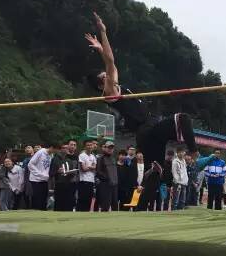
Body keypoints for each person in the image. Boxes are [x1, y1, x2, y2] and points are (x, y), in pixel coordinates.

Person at [84, 12, 197, 168]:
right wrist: (103, 32)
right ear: (100, 86)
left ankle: (190, 151)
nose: (108, 76)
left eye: (106, 75)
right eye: (104, 77)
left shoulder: (116, 85)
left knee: (157, 168)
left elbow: (111, 64)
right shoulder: (109, 93)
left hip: (152, 125)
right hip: (145, 132)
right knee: (181, 121)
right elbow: (110, 61)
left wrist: (100, 49)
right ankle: (193, 152)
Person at [51, 139, 79, 212]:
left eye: (67, 148)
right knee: (59, 203)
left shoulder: (69, 160)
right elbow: (51, 173)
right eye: (64, 148)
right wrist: (57, 171)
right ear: (60, 149)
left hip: (69, 184)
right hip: (59, 184)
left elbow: (73, 172)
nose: (66, 149)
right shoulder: (55, 159)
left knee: (69, 202)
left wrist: (72, 172)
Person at [28, 143, 59, 211]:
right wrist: (40, 174)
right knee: (38, 199)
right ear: (51, 147)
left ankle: (43, 213)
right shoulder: (41, 152)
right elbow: (30, 164)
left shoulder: (51, 155)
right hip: (36, 180)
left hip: (44, 180)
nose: (55, 152)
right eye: (55, 150)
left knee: (44, 199)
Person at [95, 141, 118, 212]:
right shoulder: (100, 158)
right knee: (105, 206)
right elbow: (98, 172)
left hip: (114, 185)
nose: (110, 149)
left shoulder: (113, 158)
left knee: (115, 205)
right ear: (105, 148)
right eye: (108, 148)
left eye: (112, 148)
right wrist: (107, 178)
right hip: (105, 185)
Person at [77, 139, 97, 212]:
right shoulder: (82, 155)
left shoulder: (93, 156)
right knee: (82, 199)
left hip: (91, 181)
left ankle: (86, 214)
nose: (89, 146)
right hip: (83, 181)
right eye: (88, 145)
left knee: (89, 200)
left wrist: (89, 166)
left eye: (91, 145)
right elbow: (83, 169)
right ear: (85, 147)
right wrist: (91, 167)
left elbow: (95, 167)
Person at [172, 147, 189, 211]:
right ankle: (174, 211)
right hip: (178, 183)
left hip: (184, 182)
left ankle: (181, 211)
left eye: (182, 152)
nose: (181, 154)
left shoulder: (184, 161)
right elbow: (174, 172)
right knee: (176, 199)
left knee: (182, 200)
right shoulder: (175, 161)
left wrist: (186, 180)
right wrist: (177, 182)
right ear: (177, 153)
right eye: (180, 152)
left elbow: (185, 172)